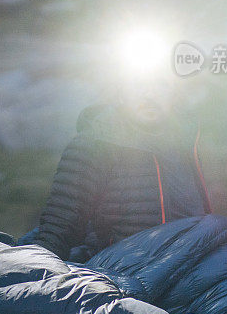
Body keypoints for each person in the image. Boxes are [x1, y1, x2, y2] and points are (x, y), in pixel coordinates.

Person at [24, 76, 212, 262]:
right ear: (121, 93)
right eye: (139, 84)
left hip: (190, 265)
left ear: (174, 95)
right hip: (122, 271)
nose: (150, 94)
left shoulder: (191, 142)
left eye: (161, 84)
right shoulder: (94, 143)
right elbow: (59, 229)